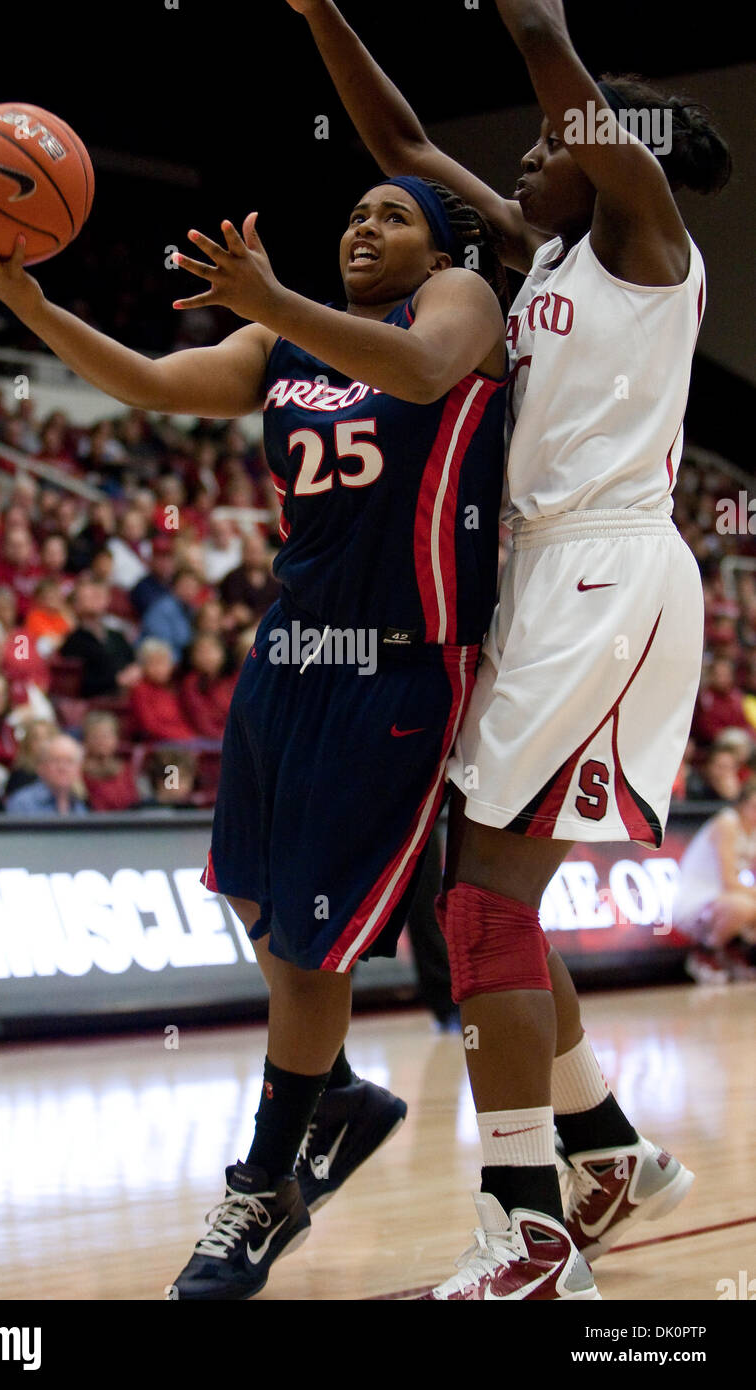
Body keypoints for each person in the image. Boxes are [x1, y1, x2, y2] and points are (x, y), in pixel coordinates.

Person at [0, 151, 508, 1302]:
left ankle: (264, 1185)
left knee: (305, 941)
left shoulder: (457, 304)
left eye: (392, 215)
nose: (364, 227)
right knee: (251, 894)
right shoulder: (282, 345)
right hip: (284, 656)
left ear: (436, 249)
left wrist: (272, 297)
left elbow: (416, 366)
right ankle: (335, 1091)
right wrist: (32, 304)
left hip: (396, 667)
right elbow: (151, 382)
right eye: (351, 212)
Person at [290, 0, 731, 1299]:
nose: (524, 164)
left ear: (599, 151)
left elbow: (553, 58)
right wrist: (322, 11)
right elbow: (400, 135)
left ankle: (527, 1235)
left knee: (480, 902)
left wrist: (531, 25)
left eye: (550, 150)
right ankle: (602, 1150)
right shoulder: (541, 258)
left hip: (601, 564)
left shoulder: (644, 241)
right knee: (487, 897)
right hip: (542, 580)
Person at [675, 780, 756, 983]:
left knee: (746, 905)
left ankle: (736, 952)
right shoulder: (727, 823)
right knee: (743, 906)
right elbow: (728, 881)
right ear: (742, 804)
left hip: (724, 896)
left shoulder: (753, 831)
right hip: (697, 898)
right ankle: (705, 953)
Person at [4, 733, 89, 816]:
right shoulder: (22, 803)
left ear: (78, 769)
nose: (62, 768)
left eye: (69, 761)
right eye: (56, 761)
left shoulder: (80, 804)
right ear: (41, 767)